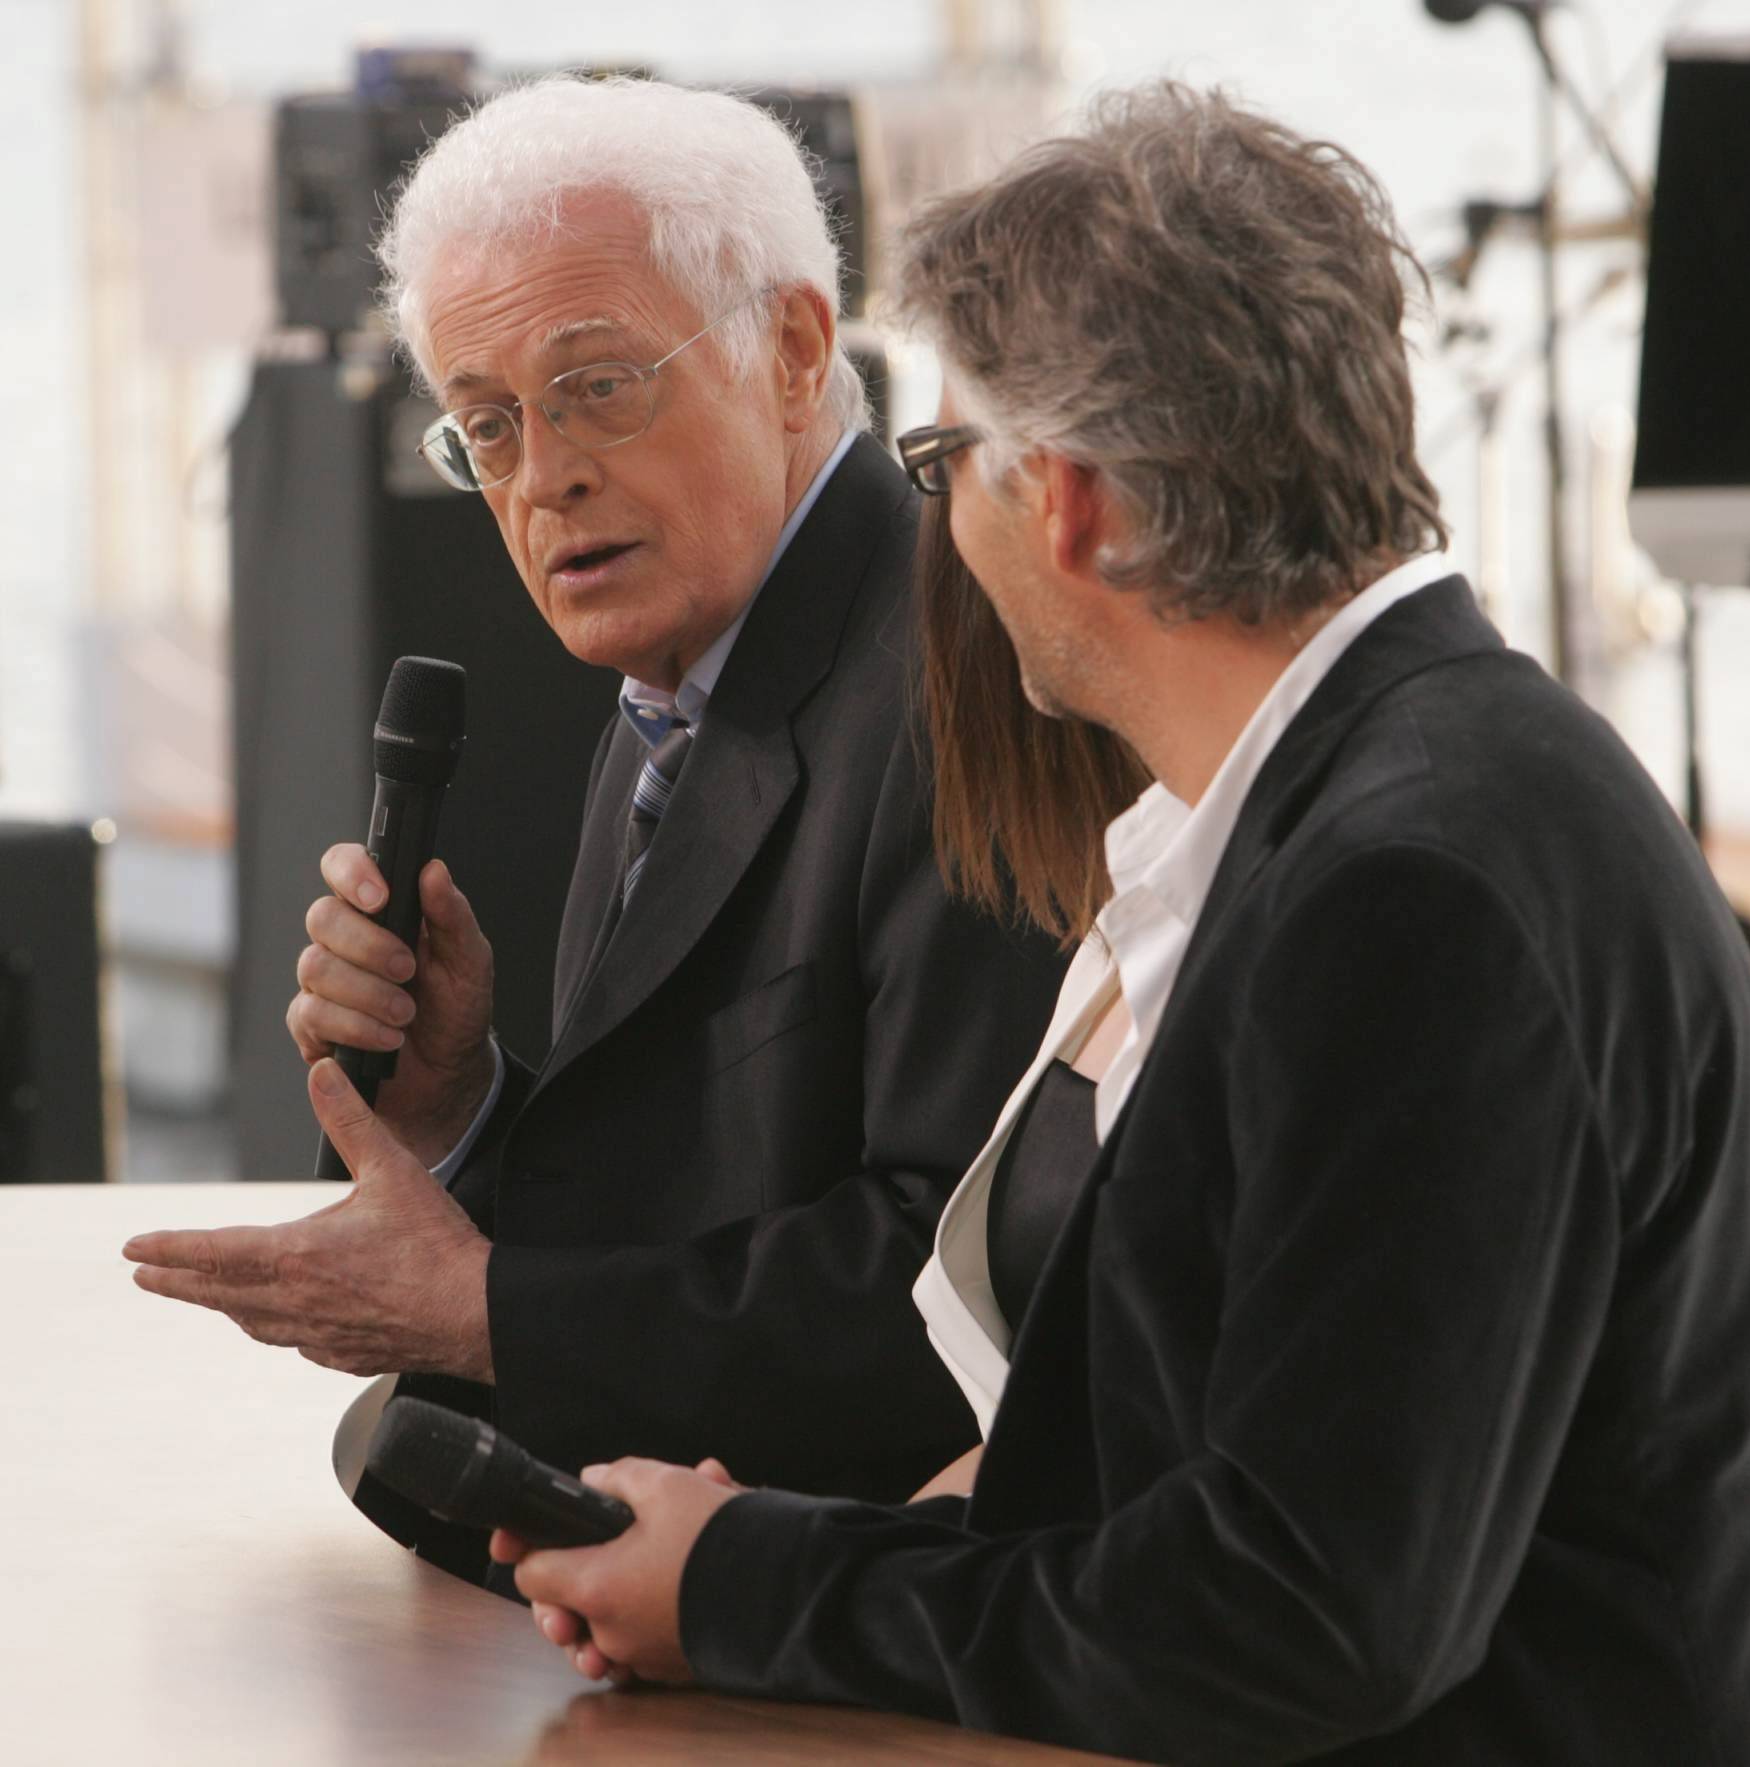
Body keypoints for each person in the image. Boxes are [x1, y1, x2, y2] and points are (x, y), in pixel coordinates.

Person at [492, 83, 1750, 1763]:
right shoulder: (1399, 795)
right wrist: (756, 1556)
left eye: (947, 460)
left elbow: (1299, 1615)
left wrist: (755, 1589)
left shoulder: (1413, 893)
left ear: (1071, 504)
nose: (936, 529)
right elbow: (1201, 1492)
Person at [121, 76, 1068, 1573]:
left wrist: (478, 1314)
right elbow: (694, 1204)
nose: (543, 474)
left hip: (862, 1613)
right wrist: (454, 1109)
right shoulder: (683, 682)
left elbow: (963, 1291)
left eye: (598, 387)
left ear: (795, 347)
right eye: (485, 427)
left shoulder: (966, 687)